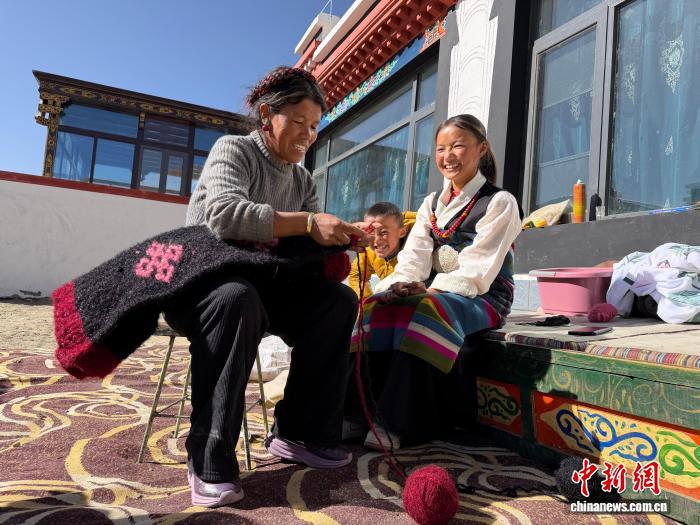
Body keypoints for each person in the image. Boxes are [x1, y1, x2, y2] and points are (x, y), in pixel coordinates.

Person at [164, 66, 372, 508]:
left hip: (268, 288)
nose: (307, 134)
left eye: (314, 126)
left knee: (337, 301)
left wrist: (342, 239)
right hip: (205, 287)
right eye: (297, 121)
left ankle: (300, 433)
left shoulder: (302, 180)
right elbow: (225, 215)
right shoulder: (234, 150)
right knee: (236, 298)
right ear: (266, 116)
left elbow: (308, 246)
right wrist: (309, 223)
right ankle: (208, 454)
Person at [347, 114, 522, 451]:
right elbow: (413, 258)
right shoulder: (431, 203)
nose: (448, 156)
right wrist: (398, 286)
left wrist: (429, 289)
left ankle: (397, 422)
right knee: (374, 308)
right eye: (441, 149)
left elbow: (479, 269)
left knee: (427, 311)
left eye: (458, 146)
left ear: (481, 148)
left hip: (484, 296)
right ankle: (357, 412)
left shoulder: (500, 202)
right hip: (434, 290)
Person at [348, 202, 416, 299]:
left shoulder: (418, 243)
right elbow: (357, 276)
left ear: (402, 232)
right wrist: (366, 303)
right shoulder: (369, 251)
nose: (376, 240)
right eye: (371, 232)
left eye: (384, 232)